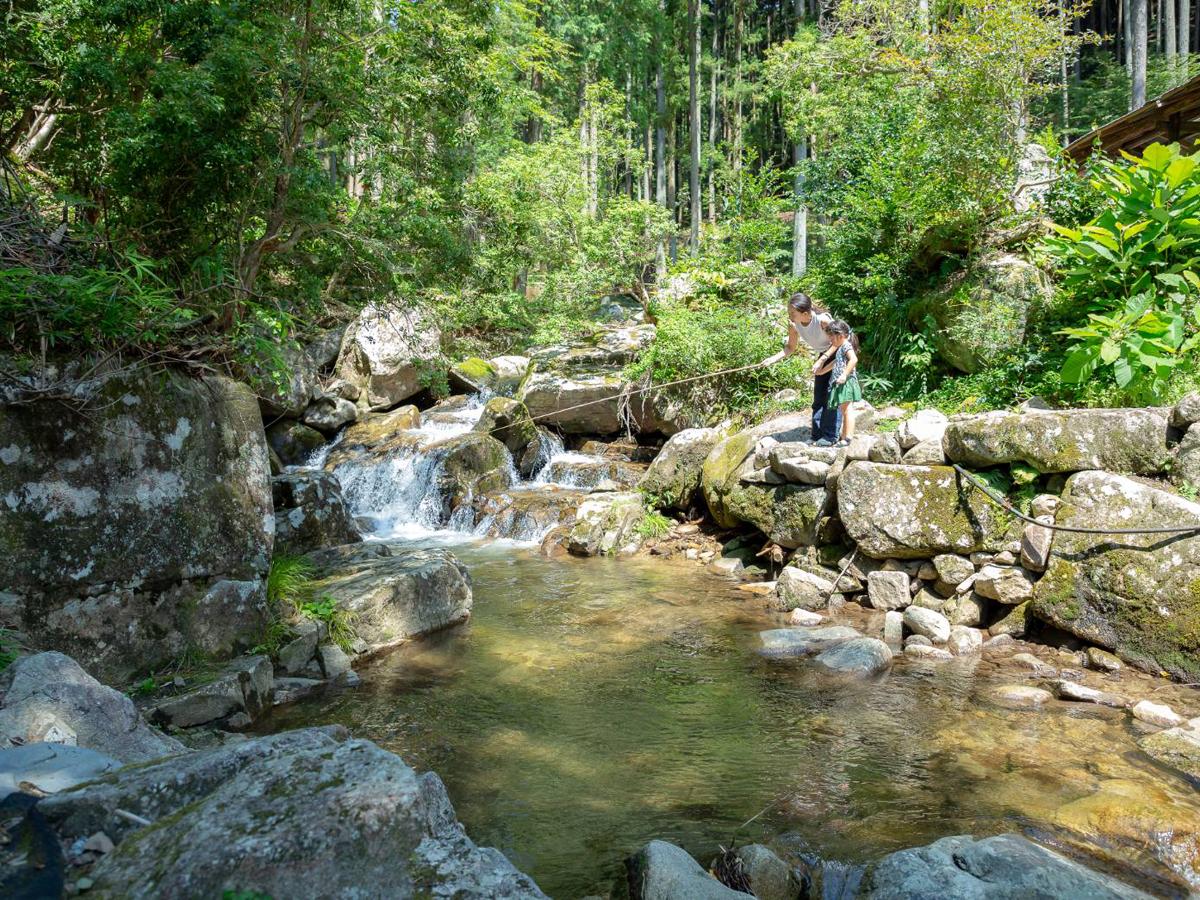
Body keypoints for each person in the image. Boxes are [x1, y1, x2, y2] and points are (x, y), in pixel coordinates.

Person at [761, 292, 838, 444]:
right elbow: (790, 347)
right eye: (789, 312)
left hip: (838, 353)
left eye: (792, 313)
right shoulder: (794, 324)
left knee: (832, 396)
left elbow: (839, 341)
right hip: (823, 355)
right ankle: (816, 435)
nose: (789, 315)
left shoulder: (822, 320)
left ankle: (830, 436)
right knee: (818, 398)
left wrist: (822, 359)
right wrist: (772, 359)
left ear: (805, 313)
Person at [813, 320, 862, 448]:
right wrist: (822, 371)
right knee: (844, 408)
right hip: (840, 382)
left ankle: (848, 438)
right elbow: (835, 362)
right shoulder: (841, 348)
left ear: (840, 335)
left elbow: (854, 359)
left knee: (847, 409)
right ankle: (844, 437)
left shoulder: (846, 346)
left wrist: (844, 374)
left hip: (846, 381)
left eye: (831, 337)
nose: (830, 340)